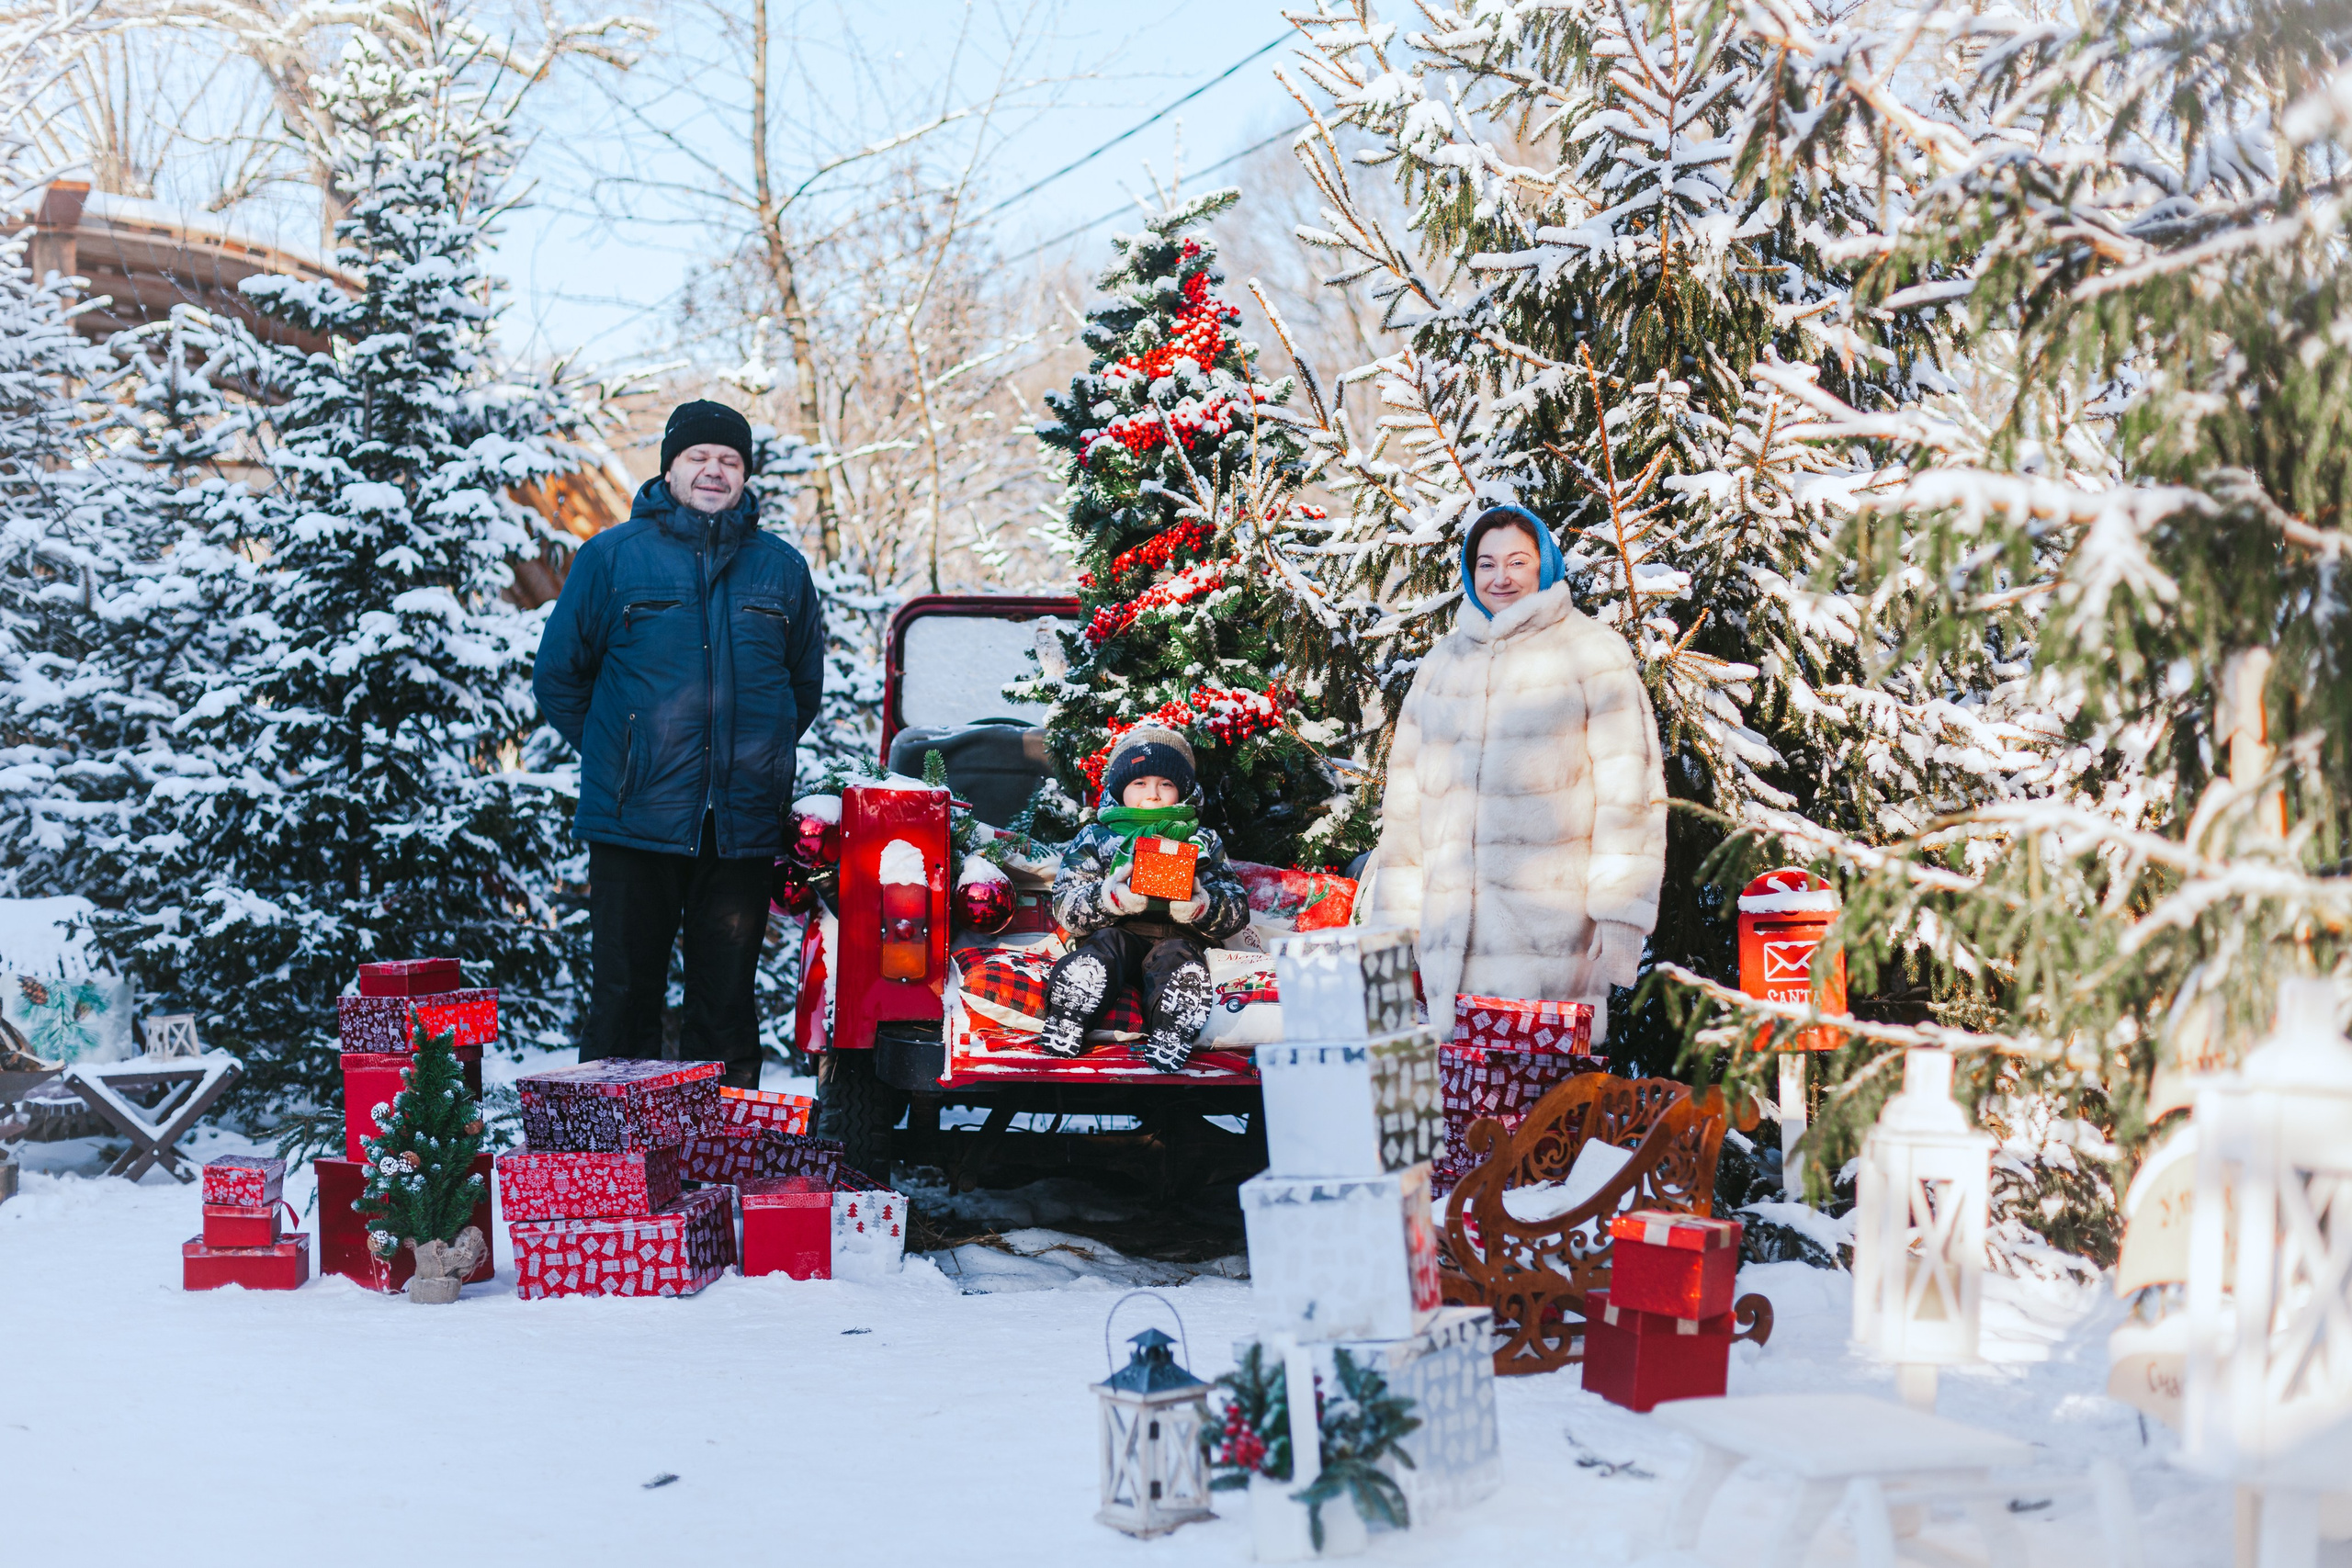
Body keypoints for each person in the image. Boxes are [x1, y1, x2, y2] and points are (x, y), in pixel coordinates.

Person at [534, 400, 824, 1089]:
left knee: (725, 1008)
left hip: (740, 828)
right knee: (624, 999)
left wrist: (752, 760)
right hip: (634, 822)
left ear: (746, 475)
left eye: (729, 460)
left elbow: (799, 689)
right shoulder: (611, 558)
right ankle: (610, 1166)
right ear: (669, 466)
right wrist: (624, 757)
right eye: (699, 457)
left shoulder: (781, 569)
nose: (714, 471)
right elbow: (559, 677)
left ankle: (716, 1163)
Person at [1365, 503, 1667, 1041]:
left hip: (1552, 942)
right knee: (1464, 1117)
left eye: (1517, 562)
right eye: (1486, 564)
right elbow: (1406, 808)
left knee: (1546, 1118)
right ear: (1468, 571)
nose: (1500, 577)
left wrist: (1622, 915)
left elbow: (1631, 795)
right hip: (1449, 952)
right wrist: (1394, 923)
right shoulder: (1440, 666)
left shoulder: (1593, 652)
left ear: (1544, 566)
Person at [1039, 727, 1250, 1070]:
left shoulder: (1201, 839)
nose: (1152, 795)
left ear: (1181, 790)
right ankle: (1072, 1008)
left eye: (1165, 784)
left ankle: (1172, 1025)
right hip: (1119, 932)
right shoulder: (1097, 836)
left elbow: (1237, 909)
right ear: (1120, 788)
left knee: (1177, 959)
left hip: (1180, 938)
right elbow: (1065, 905)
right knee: (1105, 946)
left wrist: (1202, 904)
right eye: (1139, 783)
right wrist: (1109, 899)